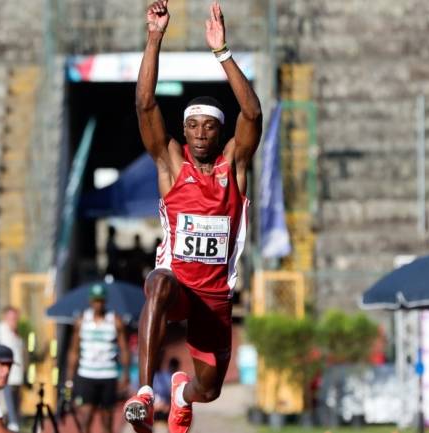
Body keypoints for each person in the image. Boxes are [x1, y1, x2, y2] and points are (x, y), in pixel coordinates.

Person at [123, 1, 263, 432]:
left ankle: (181, 394)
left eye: (209, 126)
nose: (201, 133)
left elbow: (253, 114)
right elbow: (146, 105)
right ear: (184, 131)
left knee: (209, 389)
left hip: (215, 297)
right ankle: (146, 395)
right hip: (179, 283)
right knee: (159, 284)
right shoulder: (170, 165)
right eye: (194, 125)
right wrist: (154, 37)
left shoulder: (233, 167)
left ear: (219, 132)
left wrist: (222, 53)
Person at [65, 284, 130, 433]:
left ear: (105, 301)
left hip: (108, 374)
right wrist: (69, 379)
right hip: (86, 374)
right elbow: (73, 351)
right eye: (95, 300)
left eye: (100, 300)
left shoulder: (114, 320)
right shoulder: (82, 321)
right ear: (90, 301)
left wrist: (125, 374)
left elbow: (124, 349)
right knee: (85, 418)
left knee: (107, 420)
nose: (98, 304)